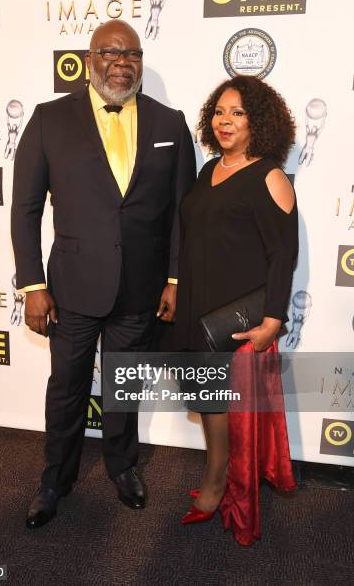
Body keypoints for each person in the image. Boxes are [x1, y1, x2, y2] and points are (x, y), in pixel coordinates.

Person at [11, 20, 196, 529]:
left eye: (131, 53)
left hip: (141, 288)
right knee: (66, 388)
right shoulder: (50, 119)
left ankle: (122, 468)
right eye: (110, 52)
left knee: (124, 388)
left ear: (140, 61)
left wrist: (176, 279)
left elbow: (183, 210)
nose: (122, 61)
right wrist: (32, 285)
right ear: (90, 59)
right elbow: (24, 208)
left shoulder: (169, 123)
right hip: (69, 288)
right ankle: (55, 479)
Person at [173, 75, 298, 545]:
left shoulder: (270, 175)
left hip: (236, 309)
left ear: (258, 122)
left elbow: (283, 255)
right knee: (204, 396)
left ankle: (217, 481)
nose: (225, 121)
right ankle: (218, 474)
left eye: (238, 113)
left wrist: (273, 319)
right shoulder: (208, 170)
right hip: (197, 298)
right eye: (220, 112)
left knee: (215, 395)